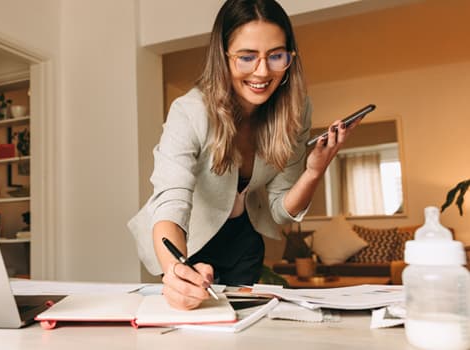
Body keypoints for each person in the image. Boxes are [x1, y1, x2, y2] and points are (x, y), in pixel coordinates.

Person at [128, 0, 360, 310]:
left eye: (276, 56)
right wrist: (176, 270)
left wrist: (314, 172)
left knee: (245, 328)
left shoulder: (295, 111)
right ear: (222, 57)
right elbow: (170, 203)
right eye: (247, 57)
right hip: (188, 239)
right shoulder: (190, 112)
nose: (263, 72)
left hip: (245, 239)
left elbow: (279, 210)